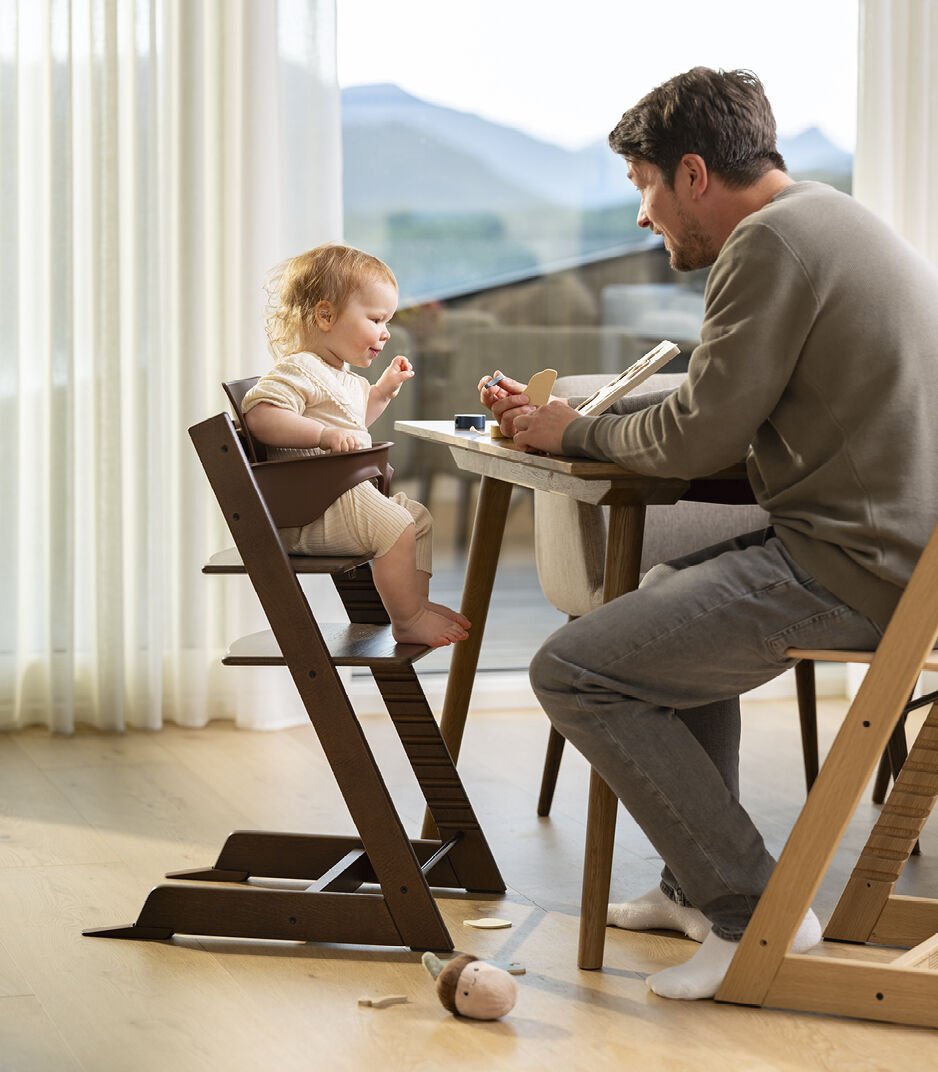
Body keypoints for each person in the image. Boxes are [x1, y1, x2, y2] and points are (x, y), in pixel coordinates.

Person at [479, 67, 938, 1000]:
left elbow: (699, 436)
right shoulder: (826, 218)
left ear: (692, 174)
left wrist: (572, 434)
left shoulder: (767, 245)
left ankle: (753, 911)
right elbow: (722, 396)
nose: (642, 214)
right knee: (662, 599)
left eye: (643, 184)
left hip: (856, 569)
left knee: (574, 670)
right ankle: (693, 884)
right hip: (896, 555)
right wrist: (581, 416)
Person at [242, 243, 469, 648]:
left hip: (340, 495)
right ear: (326, 316)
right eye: (376, 319)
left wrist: (382, 391)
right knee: (397, 526)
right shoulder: (300, 367)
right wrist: (322, 435)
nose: (385, 332)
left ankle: (416, 603)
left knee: (417, 518)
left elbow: (354, 423)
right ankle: (407, 619)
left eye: (387, 321)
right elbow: (261, 415)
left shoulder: (341, 376)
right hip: (312, 509)